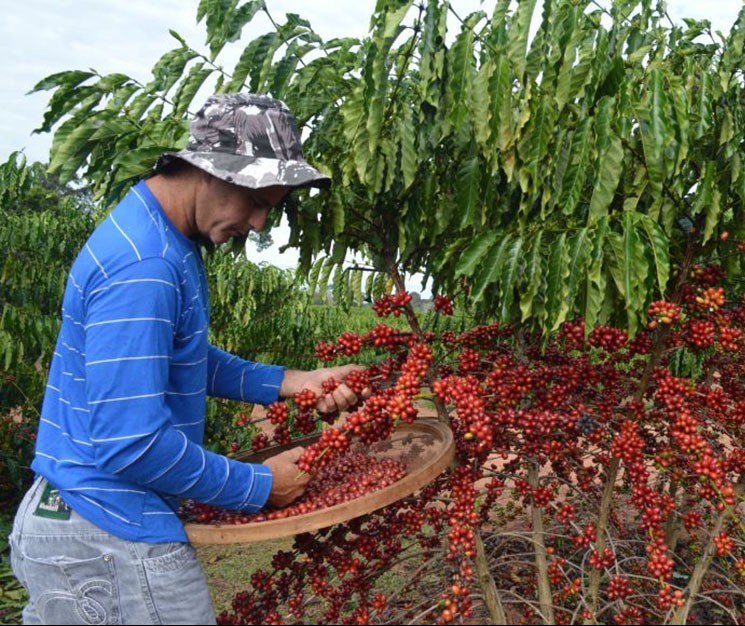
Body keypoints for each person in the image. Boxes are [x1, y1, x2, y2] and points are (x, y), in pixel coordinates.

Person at [10, 93, 362, 625]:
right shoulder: (145, 266)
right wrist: (259, 487)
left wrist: (295, 382)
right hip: (108, 533)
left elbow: (181, 356)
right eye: (257, 201)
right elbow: (132, 445)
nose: (261, 223)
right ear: (211, 171)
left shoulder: (162, 236)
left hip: (87, 517)